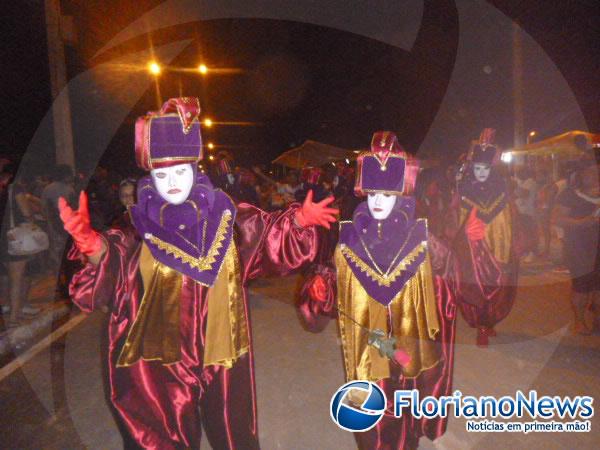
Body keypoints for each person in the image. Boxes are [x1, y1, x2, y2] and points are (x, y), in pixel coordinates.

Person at [59, 97, 338, 450]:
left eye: (180, 171)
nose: (171, 182)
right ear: (149, 176)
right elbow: (112, 263)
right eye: (161, 174)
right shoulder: (136, 224)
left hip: (221, 348)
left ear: (195, 169)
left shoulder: (228, 216)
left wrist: (297, 220)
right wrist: (91, 244)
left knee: (233, 434)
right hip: (160, 358)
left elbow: (266, 237)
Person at [299, 132, 458, 450]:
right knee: (374, 407)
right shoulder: (348, 240)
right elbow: (332, 290)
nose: (378, 202)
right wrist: (318, 290)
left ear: (400, 195)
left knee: (405, 402)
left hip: (406, 344)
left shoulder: (421, 237)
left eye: (386, 194)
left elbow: (448, 279)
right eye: (372, 194)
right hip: (369, 342)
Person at [454, 128, 518, 347]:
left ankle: (489, 322)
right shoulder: (466, 190)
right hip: (473, 249)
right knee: (478, 288)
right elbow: (460, 220)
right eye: (478, 167)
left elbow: (506, 223)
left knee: (496, 287)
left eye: (486, 168)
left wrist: (502, 251)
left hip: (496, 247)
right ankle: (481, 326)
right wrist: (467, 237)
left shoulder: (501, 190)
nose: (481, 172)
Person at [553, 162, 600, 335]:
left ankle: (597, 320)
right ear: (580, 174)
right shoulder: (569, 195)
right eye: (590, 171)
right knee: (582, 287)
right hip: (580, 248)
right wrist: (582, 223)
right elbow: (557, 218)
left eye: (597, 171)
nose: (594, 175)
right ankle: (579, 321)